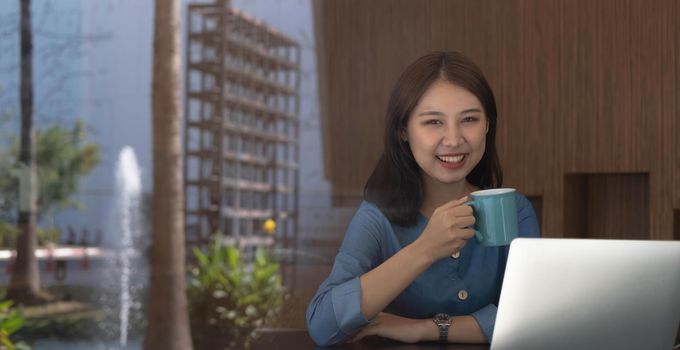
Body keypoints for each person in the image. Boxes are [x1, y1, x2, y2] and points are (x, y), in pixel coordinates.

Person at [306, 51, 540, 346]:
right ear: (403, 130)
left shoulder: (515, 211)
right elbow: (323, 324)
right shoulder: (377, 217)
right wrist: (424, 250)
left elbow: (530, 318)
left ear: (488, 125)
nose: (454, 139)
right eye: (433, 122)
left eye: (469, 119)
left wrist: (423, 328)